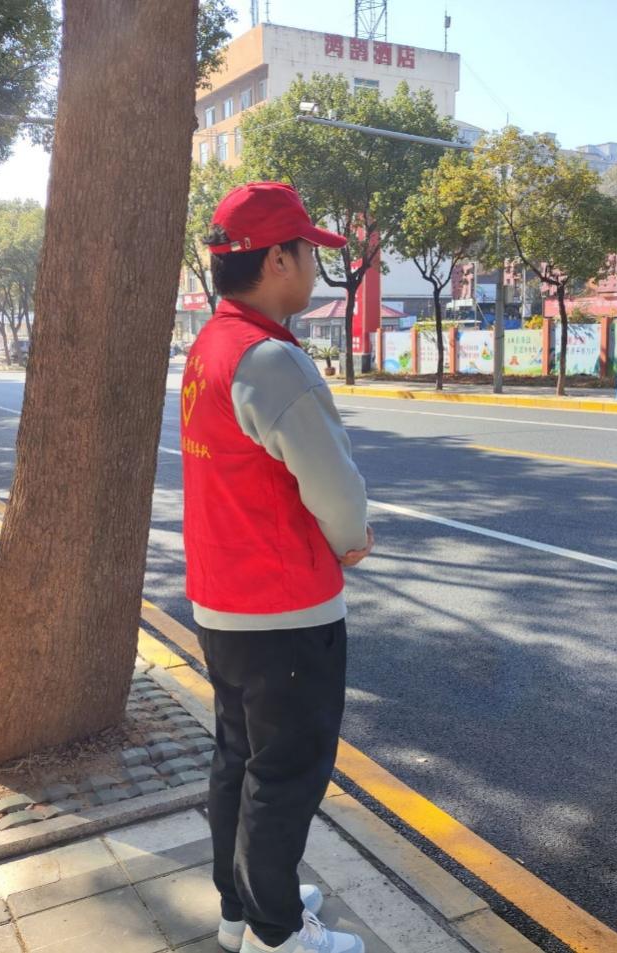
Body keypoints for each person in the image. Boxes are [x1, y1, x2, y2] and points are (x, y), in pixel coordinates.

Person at [181, 182, 374, 953]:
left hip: (223, 599)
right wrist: (349, 536)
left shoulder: (211, 344)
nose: (315, 268)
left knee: (239, 756)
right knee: (286, 771)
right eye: (307, 252)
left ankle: (242, 906)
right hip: (283, 604)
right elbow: (334, 485)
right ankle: (275, 934)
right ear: (278, 260)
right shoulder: (271, 360)